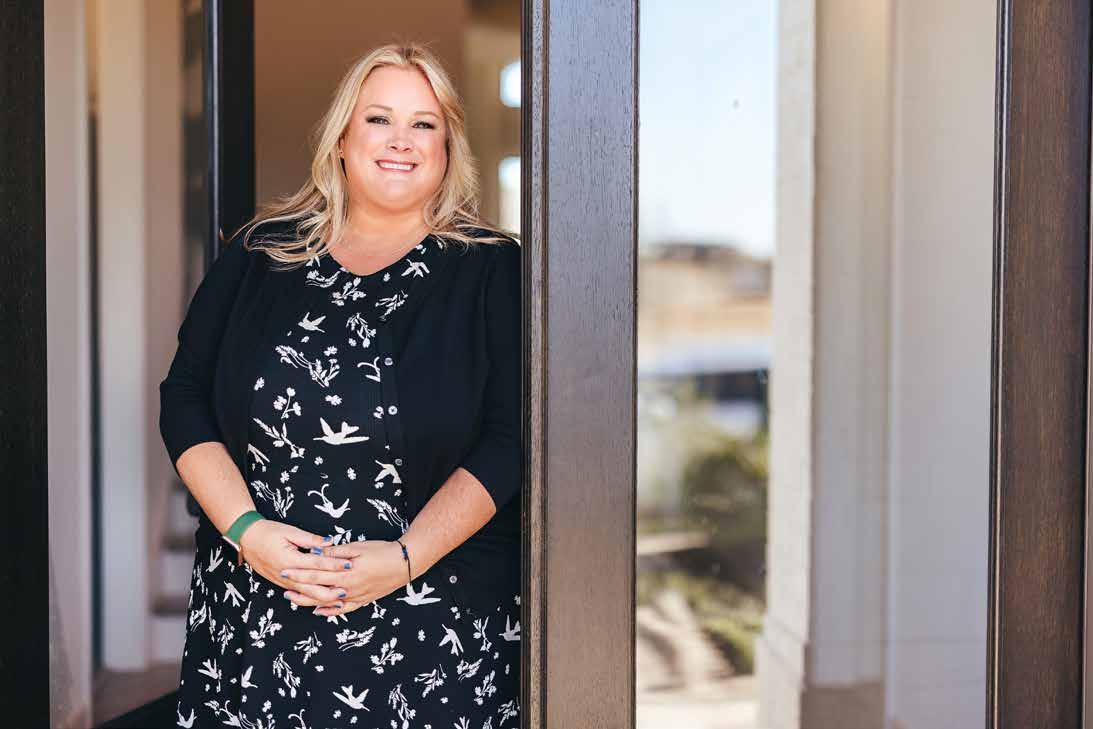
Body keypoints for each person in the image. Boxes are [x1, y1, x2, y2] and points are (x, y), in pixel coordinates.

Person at [160, 43, 522, 729]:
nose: (401, 140)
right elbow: (184, 398)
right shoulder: (259, 253)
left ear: (447, 148)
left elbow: (512, 439)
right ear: (342, 141)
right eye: (379, 119)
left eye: (424, 124)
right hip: (256, 617)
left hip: (433, 626)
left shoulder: (493, 269)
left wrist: (406, 558)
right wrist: (247, 532)